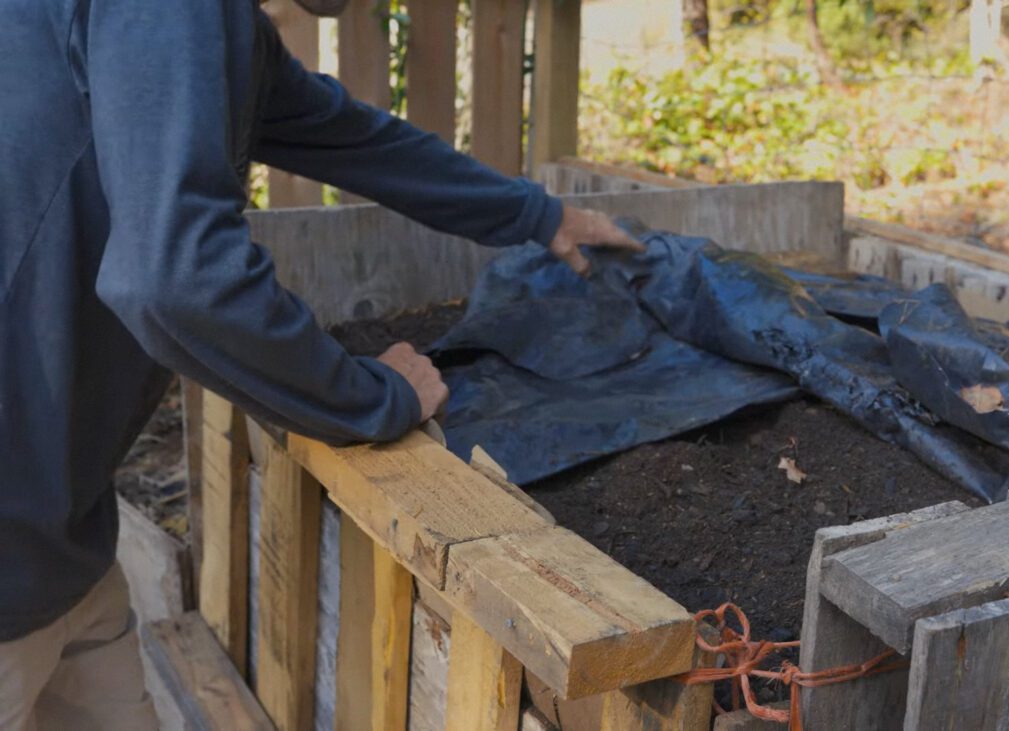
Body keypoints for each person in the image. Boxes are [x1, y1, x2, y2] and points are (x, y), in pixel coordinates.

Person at [0, 1, 640, 728]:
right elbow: (174, 281)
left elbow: (354, 139)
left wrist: (536, 215)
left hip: (59, 544)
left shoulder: (209, 30)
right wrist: (373, 396)